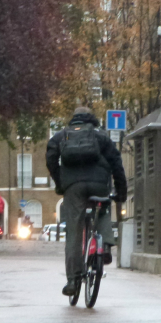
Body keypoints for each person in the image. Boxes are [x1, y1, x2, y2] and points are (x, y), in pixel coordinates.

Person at [46, 106, 127, 297]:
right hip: (99, 184)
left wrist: (60, 183)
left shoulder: (61, 136)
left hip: (73, 186)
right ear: (92, 120)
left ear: (74, 119)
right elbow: (117, 163)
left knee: (74, 231)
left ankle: (73, 280)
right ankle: (105, 245)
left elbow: (50, 159)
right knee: (104, 207)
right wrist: (121, 192)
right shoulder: (101, 136)